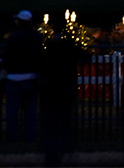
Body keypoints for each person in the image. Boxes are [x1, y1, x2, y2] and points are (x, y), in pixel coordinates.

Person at [41, 34, 86, 166]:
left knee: (51, 123)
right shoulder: (70, 50)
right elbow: (85, 57)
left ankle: (52, 154)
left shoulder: (50, 51)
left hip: (51, 90)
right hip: (66, 90)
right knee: (66, 120)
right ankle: (66, 148)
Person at [2, 9, 43, 143]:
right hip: (31, 76)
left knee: (13, 110)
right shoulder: (37, 37)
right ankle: (29, 136)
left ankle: (13, 137)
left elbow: (6, 56)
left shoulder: (14, 37)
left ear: (20, 22)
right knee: (30, 109)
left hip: (14, 77)